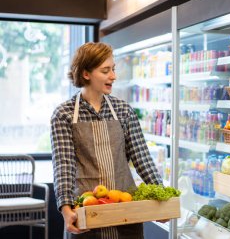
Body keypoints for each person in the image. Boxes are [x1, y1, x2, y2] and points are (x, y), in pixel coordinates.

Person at [50, 42, 163, 239]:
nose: (113, 76)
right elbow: (63, 165)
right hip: (86, 212)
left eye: (113, 69)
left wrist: (161, 197)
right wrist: (66, 209)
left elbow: (142, 157)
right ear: (86, 74)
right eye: (105, 71)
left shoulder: (123, 110)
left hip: (126, 211)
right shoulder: (64, 114)